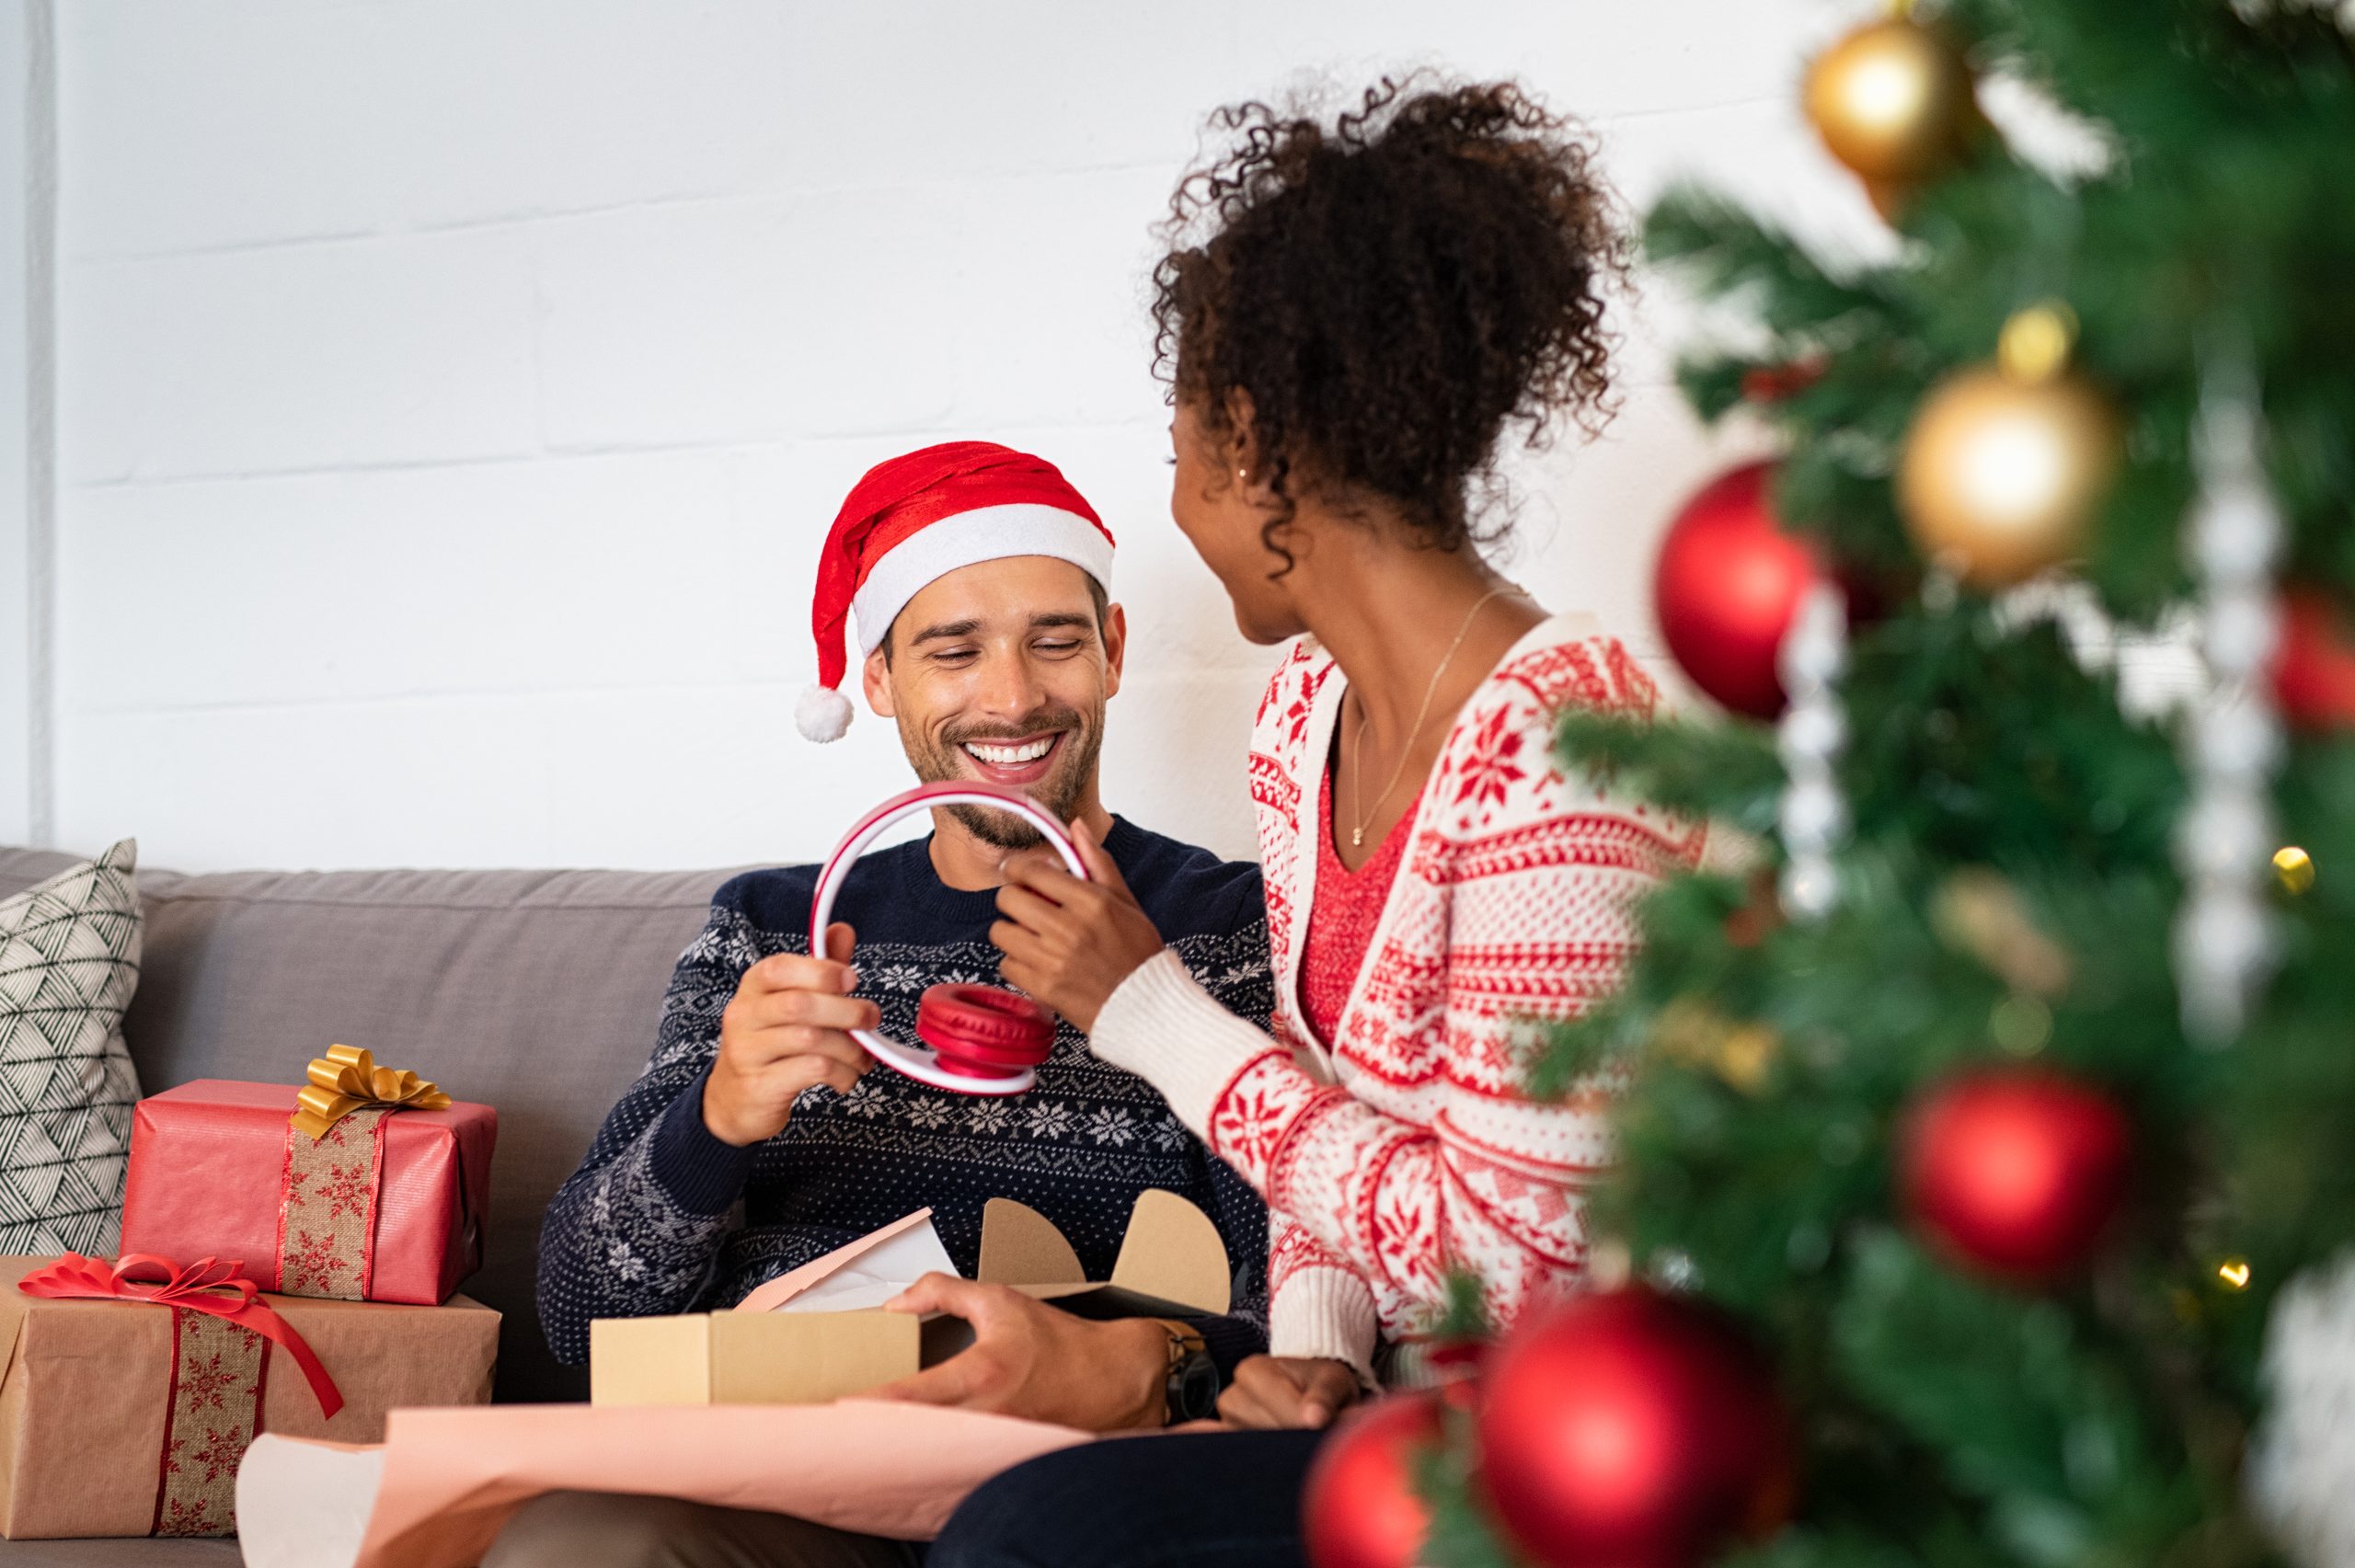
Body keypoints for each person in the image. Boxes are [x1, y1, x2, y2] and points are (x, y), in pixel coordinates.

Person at [937, 78, 1706, 1566]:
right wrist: (1320, 1351)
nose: (1175, 503)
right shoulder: (1303, 720)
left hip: (1587, 1437)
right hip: (1397, 1410)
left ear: (1251, 449)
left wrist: (1148, 1014)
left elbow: (1520, 1269)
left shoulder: (1563, 751)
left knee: (1026, 1541)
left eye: (1176, 458)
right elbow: (1325, 1129)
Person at [496, 442, 1273, 1568]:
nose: (1011, 697)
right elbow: (578, 1321)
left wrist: (1150, 1006)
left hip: (1077, 1484)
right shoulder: (769, 929)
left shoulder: (1226, 926)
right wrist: (713, 1122)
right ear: (878, 682)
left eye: (1053, 640)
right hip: (794, 1483)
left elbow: (1307, 1309)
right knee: (576, 1547)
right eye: (952, 651)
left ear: (1110, 652)